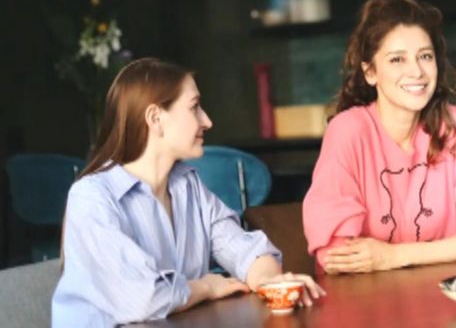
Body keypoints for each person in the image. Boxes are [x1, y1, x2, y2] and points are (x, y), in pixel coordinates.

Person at [53, 58, 322, 327]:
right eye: (194, 107)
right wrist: (206, 287)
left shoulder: (188, 186)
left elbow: (246, 251)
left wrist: (271, 283)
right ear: (155, 118)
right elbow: (143, 298)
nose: (207, 121)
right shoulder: (92, 197)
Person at [303, 0, 456, 274]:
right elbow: (337, 257)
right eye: (397, 60)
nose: (416, 71)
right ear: (370, 72)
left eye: (425, 56)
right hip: (366, 298)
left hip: (443, 294)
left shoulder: (452, 125)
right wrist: (448, 249)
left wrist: (393, 256)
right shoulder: (348, 132)